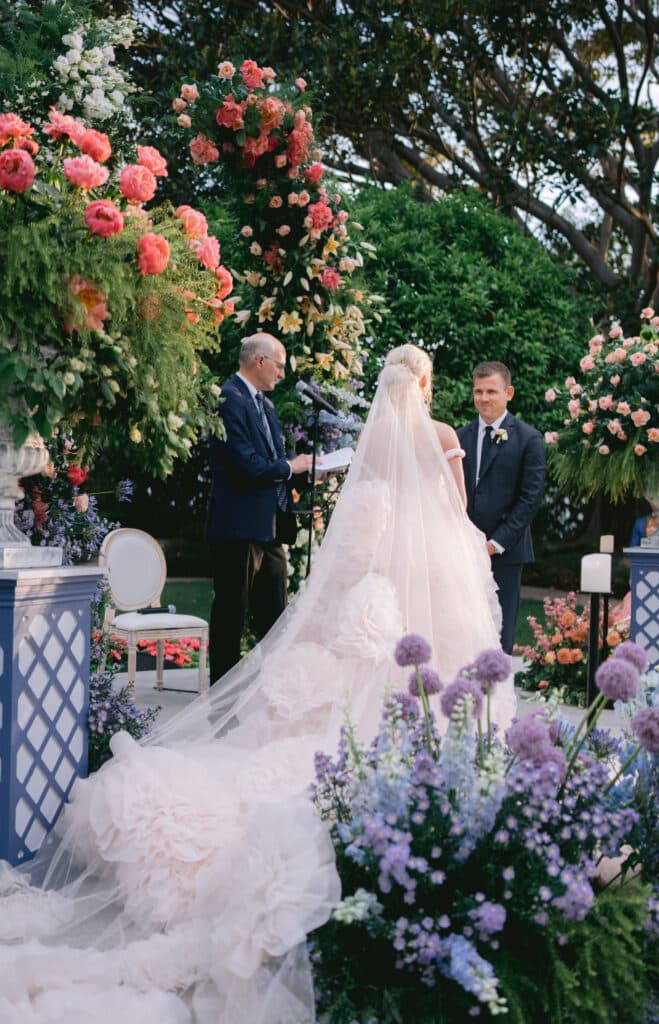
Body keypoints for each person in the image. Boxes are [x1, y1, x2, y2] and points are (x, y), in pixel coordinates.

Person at [0, 345, 514, 1022]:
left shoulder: (371, 445)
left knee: (346, 687)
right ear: (425, 384)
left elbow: (353, 541)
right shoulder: (442, 437)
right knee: (429, 686)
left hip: (370, 596)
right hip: (425, 593)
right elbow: (455, 514)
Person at [206, 332, 313, 683]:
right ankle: (224, 712)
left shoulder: (265, 405)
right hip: (236, 528)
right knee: (230, 619)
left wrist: (307, 473)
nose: (282, 375)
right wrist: (290, 467)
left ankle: (272, 697)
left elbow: (275, 462)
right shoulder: (228, 399)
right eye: (279, 366)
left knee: (276, 619)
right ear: (260, 361)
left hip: (269, 528)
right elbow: (244, 463)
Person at [458, 360, 546, 654]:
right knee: (461, 628)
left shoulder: (528, 438)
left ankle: (497, 697)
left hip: (505, 552)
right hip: (462, 551)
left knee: (499, 632)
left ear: (509, 393)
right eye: (478, 391)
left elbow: (530, 497)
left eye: (491, 391)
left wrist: (495, 543)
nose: (484, 398)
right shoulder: (460, 436)